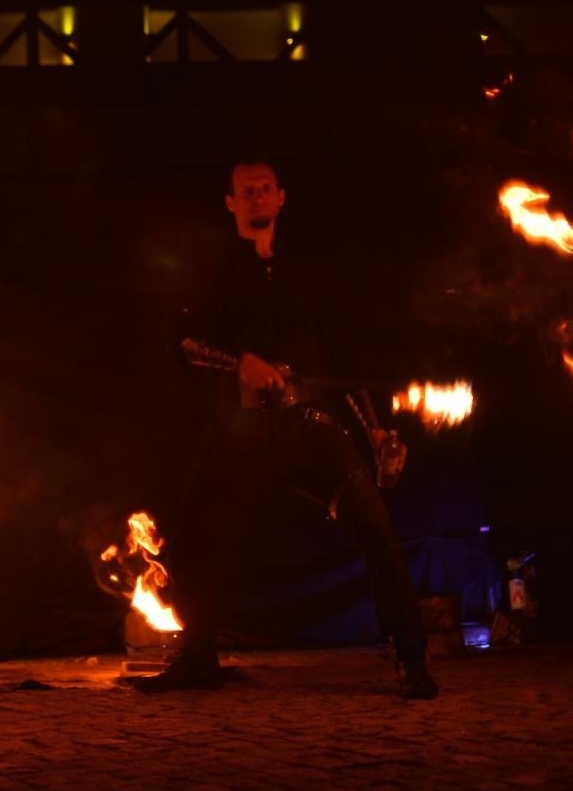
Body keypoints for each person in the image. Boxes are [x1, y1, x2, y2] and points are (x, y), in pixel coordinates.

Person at [139, 158, 437, 700]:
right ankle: (198, 659)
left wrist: (373, 430)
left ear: (281, 198)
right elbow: (181, 344)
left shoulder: (308, 272)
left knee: (379, 534)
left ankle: (411, 658)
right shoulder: (214, 273)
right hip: (239, 431)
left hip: (312, 429)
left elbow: (341, 354)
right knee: (191, 545)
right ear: (231, 203)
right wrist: (240, 364)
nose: (256, 197)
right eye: (245, 191)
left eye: (264, 189)